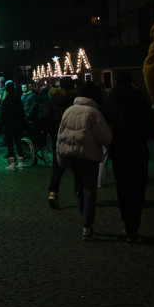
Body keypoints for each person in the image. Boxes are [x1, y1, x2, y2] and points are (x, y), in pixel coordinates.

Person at [102, 70, 154, 243]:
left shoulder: (110, 100)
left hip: (119, 151)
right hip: (138, 149)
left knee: (123, 188)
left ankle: (128, 223)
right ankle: (135, 225)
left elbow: (105, 126)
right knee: (138, 189)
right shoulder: (139, 98)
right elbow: (151, 125)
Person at [56, 81, 113, 241]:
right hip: (89, 156)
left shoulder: (68, 111)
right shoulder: (93, 113)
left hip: (73, 156)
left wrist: (61, 159)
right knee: (89, 191)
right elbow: (105, 138)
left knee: (79, 188)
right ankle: (87, 226)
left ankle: (84, 221)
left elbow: (60, 137)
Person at [46, 77, 77, 209]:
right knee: (77, 165)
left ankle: (53, 192)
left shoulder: (52, 100)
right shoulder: (74, 101)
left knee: (58, 166)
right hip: (73, 135)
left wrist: (52, 132)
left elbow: (45, 116)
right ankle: (78, 191)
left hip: (57, 136)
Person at [0, 81, 26, 170]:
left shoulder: (5, 101)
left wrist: (2, 124)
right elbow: (22, 112)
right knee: (18, 143)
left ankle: (13, 163)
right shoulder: (19, 100)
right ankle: (21, 163)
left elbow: (3, 115)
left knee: (10, 144)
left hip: (9, 125)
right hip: (18, 124)